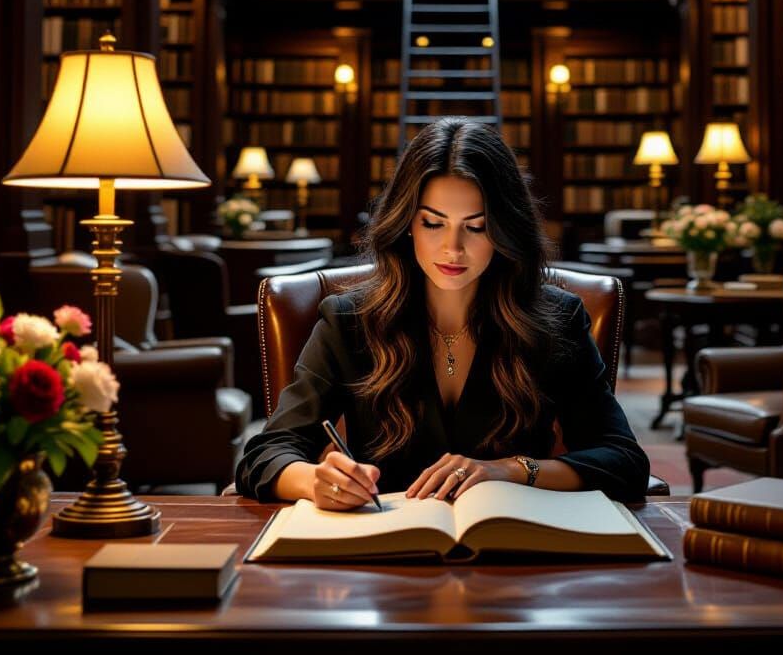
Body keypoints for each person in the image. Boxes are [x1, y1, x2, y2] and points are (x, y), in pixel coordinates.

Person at [235, 117, 650, 507]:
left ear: (505, 229)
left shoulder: (557, 319)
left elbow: (623, 460)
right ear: (407, 224)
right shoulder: (348, 320)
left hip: (517, 556)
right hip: (383, 557)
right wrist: (316, 481)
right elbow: (266, 453)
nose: (453, 248)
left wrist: (511, 470)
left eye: (476, 226)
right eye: (433, 223)